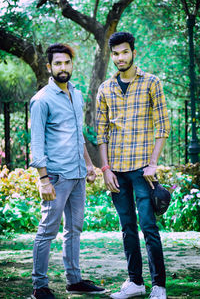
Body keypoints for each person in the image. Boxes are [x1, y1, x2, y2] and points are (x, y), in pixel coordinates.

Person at [96, 32, 170, 299]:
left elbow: (163, 126)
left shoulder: (151, 83)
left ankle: (159, 285)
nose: (120, 58)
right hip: (116, 172)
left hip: (142, 170)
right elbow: (101, 132)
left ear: (133, 52)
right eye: (115, 54)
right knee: (127, 227)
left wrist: (153, 164)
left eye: (124, 52)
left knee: (148, 226)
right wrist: (105, 169)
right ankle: (135, 282)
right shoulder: (105, 88)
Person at [30, 43, 105, 299]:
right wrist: (43, 179)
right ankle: (39, 286)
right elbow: (37, 143)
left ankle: (74, 280)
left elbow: (78, 134)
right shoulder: (41, 100)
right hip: (57, 176)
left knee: (74, 229)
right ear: (50, 67)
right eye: (58, 64)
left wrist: (88, 164)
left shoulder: (77, 93)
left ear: (72, 65)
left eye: (67, 63)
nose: (63, 67)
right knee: (47, 231)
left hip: (77, 175)